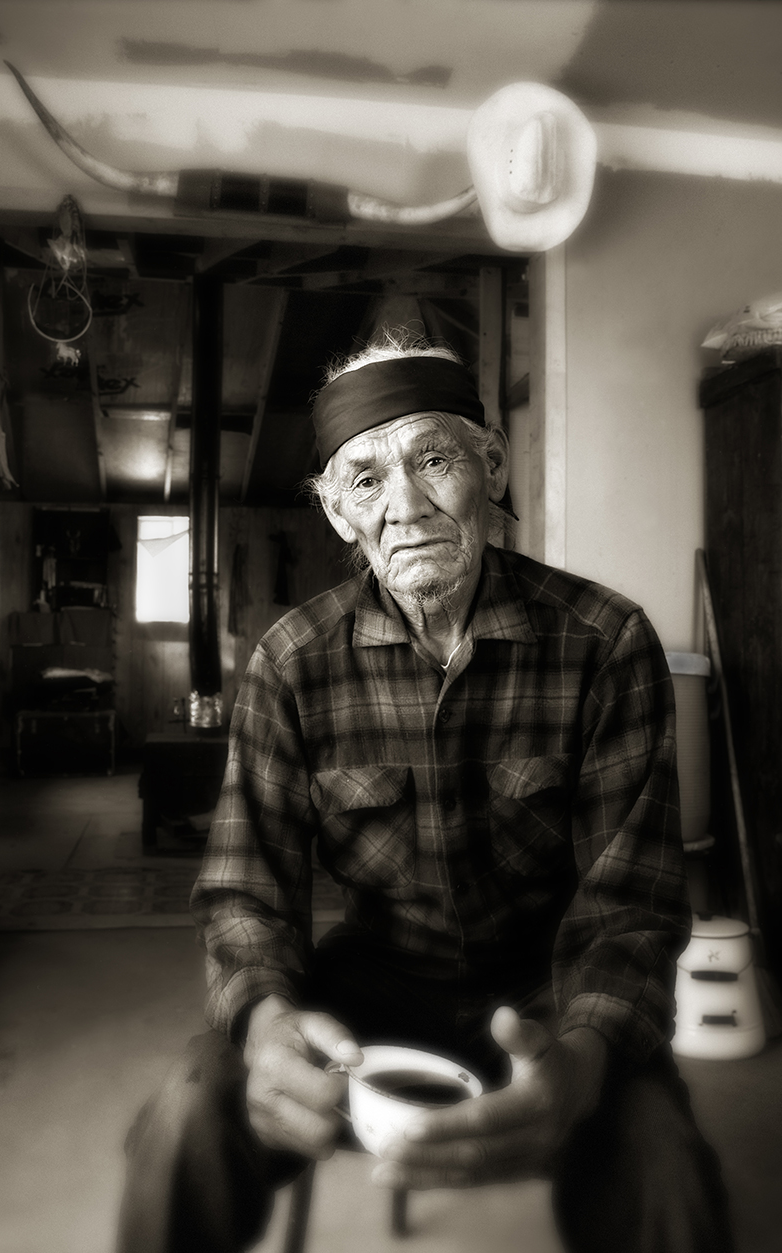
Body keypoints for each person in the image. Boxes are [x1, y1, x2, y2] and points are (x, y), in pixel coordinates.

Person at [116, 331, 734, 1253]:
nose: (404, 507)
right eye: (365, 481)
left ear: (489, 466)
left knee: (662, 1165)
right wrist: (268, 1019)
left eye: (433, 459)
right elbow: (248, 893)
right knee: (185, 1117)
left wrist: (584, 1056)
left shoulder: (606, 641)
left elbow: (630, 909)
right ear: (337, 516)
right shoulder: (292, 661)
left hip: (550, 984)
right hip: (374, 987)